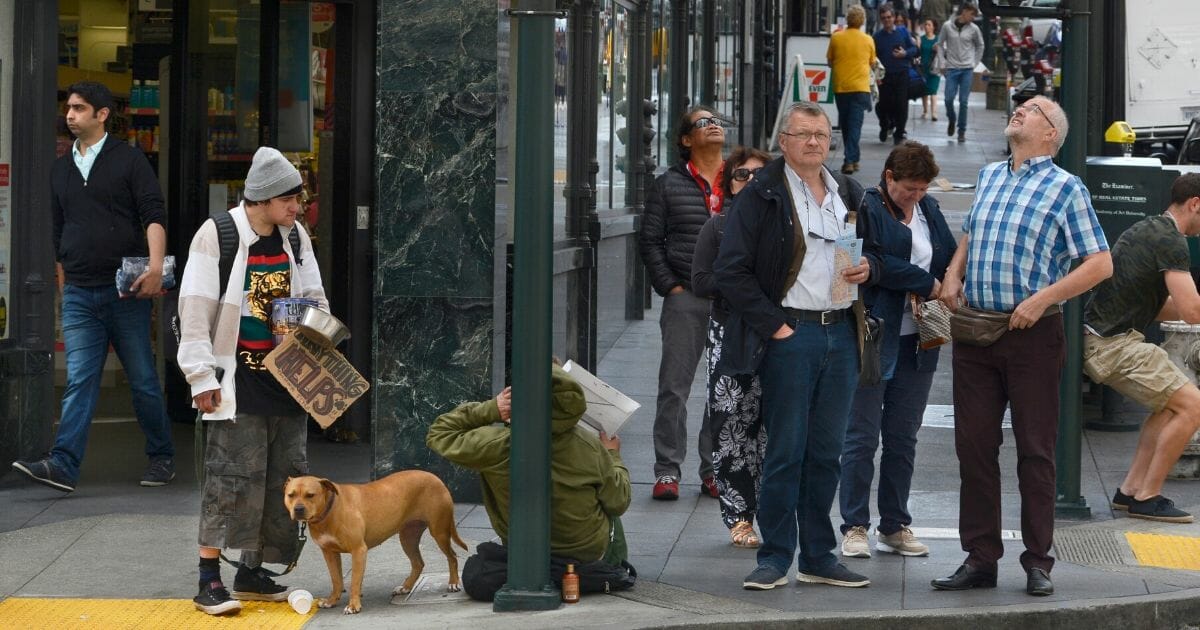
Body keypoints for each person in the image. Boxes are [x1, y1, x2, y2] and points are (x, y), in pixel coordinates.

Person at [934, 96, 1112, 597]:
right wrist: (952, 273)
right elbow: (969, 233)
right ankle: (980, 558)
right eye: (1021, 106)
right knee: (973, 447)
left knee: (1036, 451)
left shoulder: (1066, 188)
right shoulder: (991, 175)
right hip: (975, 331)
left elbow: (1099, 263)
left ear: (1051, 133)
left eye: (1032, 109)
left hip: (1032, 336)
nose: (1020, 110)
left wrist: (1043, 300)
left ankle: (1038, 561)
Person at [713, 101, 880, 591]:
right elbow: (731, 271)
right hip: (792, 334)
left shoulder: (847, 190)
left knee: (828, 451)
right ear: (782, 141)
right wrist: (775, 327)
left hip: (841, 333)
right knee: (785, 449)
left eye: (821, 134)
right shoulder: (762, 193)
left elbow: (874, 255)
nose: (813, 142)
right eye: (803, 133)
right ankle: (774, 556)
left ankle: (818, 556)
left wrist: (870, 270)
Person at [177, 147, 329, 616]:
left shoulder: (295, 237)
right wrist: (201, 376)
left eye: (298, 199)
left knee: (283, 480)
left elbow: (315, 298)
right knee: (231, 479)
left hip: (289, 381)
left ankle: (252, 571)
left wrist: (320, 338)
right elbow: (195, 308)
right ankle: (209, 580)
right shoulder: (219, 235)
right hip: (236, 379)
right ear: (262, 198)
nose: (297, 208)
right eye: (289, 199)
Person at [11, 81, 175, 493]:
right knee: (80, 379)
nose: (70, 115)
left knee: (141, 379)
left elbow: (153, 214)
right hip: (80, 292)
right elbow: (59, 232)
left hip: (126, 289)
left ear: (102, 115)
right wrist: (65, 287)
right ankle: (64, 464)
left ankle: (162, 456)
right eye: (69, 107)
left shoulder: (130, 159)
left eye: (80, 108)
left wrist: (156, 267)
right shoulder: (61, 168)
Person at [838, 142, 956, 560]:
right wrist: (922, 281)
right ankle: (854, 524)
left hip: (921, 340)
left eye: (922, 188)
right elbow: (862, 263)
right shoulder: (865, 208)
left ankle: (895, 523)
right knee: (861, 436)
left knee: (903, 437)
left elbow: (947, 255)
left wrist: (947, 281)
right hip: (874, 336)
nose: (916, 196)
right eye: (909, 188)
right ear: (888, 178)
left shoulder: (930, 210)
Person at [426, 364, 632, 596]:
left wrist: (492, 409)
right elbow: (619, 501)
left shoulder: (497, 446)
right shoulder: (591, 447)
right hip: (586, 555)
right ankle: (612, 566)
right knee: (611, 489)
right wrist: (613, 455)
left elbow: (439, 433)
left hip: (526, 552)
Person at [1083, 173, 1200, 524]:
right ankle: (1148, 496)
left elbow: (1162, 307)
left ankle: (1130, 490)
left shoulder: (1147, 228)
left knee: (1169, 406)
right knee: (1193, 407)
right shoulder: (1173, 242)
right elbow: (1192, 311)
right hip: (1112, 345)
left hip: (1104, 338)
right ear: (1195, 204)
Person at [639, 106, 726, 501]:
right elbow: (650, 240)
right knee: (674, 386)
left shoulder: (742, 178)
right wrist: (670, 287)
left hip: (732, 301)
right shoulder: (668, 184)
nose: (714, 126)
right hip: (685, 298)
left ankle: (714, 470)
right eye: (703, 123)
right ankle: (667, 471)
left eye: (716, 121)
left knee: (723, 387)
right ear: (686, 140)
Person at [692, 146, 771, 549]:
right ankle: (739, 516)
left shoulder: (785, 226)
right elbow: (701, 281)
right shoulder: (718, 227)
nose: (751, 182)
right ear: (730, 183)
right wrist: (740, 279)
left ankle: (774, 511)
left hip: (778, 335)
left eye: (760, 175)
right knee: (732, 429)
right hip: (731, 334)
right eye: (742, 175)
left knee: (777, 430)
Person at [827, 5, 877, 175]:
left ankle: (852, 159)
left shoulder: (836, 38)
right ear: (862, 20)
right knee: (855, 125)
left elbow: (830, 61)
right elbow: (872, 62)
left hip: (841, 87)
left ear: (848, 19)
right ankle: (851, 160)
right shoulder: (868, 40)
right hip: (860, 88)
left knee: (847, 124)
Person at [873, 3, 919, 146]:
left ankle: (899, 132)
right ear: (881, 20)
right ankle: (884, 125)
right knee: (883, 105)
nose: (887, 20)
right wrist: (876, 77)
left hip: (901, 74)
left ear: (893, 17)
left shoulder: (903, 32)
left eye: (889, 17)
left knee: (901, 105)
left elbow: (915, 50)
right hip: (884, 76)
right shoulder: (877, 37)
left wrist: (905, 53)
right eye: (884, 18)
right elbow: (872, 58)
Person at [939, 3, 985, 143]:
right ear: (964, 12)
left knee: (963, 101)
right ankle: (952, 119)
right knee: (948, 99)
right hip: (952, 68)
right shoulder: (947, 26)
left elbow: (980, 45)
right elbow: (940, 44)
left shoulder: (974, 29)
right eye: (972, 14)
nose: (973, 18)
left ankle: (961, 131)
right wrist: (942, 61)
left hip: (967, 69)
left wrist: (974, 62)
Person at [919, 20, 942, 121]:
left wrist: (938, 49)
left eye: (929, 25)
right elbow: (917, 53)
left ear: (933, 27)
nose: (926, 26)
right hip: (923, 68)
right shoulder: (921, 39)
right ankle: (925, 111)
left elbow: (943, 54)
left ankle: (934, 113)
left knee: (933, 91)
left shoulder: (938, 40)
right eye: (926, 24)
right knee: (924, 91)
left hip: (934, 69)